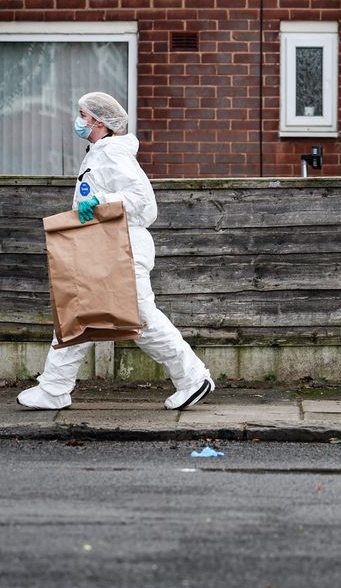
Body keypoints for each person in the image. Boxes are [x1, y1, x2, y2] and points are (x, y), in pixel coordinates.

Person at [18, 92, 215, 411]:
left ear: (97, 121)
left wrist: (100, 202)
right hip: (106, 245)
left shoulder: (112, 153)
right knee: (80, 315)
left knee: (140, 319)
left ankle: (193, 378)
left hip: (122, 250)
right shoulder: (98, 152)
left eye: (83, 114)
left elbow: (145, 205)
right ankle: (54, 387)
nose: (78, 120)